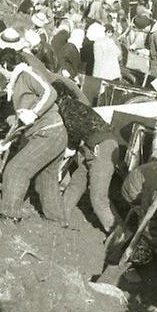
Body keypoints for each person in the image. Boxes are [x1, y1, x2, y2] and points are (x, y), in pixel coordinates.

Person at [0, 43, 66, 223]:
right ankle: (57, 222)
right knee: (45, 181)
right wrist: (6, 142)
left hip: (49, 132)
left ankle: (10, 216)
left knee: (16, 169)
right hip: (53, 134)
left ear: (4, 65)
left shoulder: (26, 74)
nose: (0, 74)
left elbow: (51, 92)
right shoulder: (17, 82)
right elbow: (22, 121)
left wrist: (35, 113)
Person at [54, 82, 120, 234]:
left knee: (98, 198)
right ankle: (60, 218)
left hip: (102, 148)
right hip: (96, 147)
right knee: (76, 183)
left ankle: (119, 236)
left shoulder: (67, 109)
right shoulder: (73, 104)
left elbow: (72, 140)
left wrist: (61, 166)